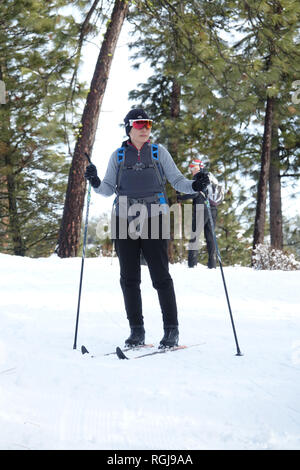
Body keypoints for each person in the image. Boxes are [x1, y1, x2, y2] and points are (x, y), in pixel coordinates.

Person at [84, 108, 210, 348]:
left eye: (148, 124)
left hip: (155, 217)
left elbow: (178, 181)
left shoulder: (158, 152)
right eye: (140, 124)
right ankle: (136, 331)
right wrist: (95, 181)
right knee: (129, 278)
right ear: (129, 128)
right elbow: (107, 189)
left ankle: (171, 331)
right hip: (124, 218)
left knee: (160, 276)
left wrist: (196, 184)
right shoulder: (118, 156)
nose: (145, 129)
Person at [177, 159, 224, 269]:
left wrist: (180, 197)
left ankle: (192, 264)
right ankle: (212, 264)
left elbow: (195, 193)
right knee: (210, 236)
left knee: (195, 234)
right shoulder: (210, 176)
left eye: (193, 167)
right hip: (212, 209)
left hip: (201, 209)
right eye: (191, 168)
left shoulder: (199, 176)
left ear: (199, 167)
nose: (192, 170)